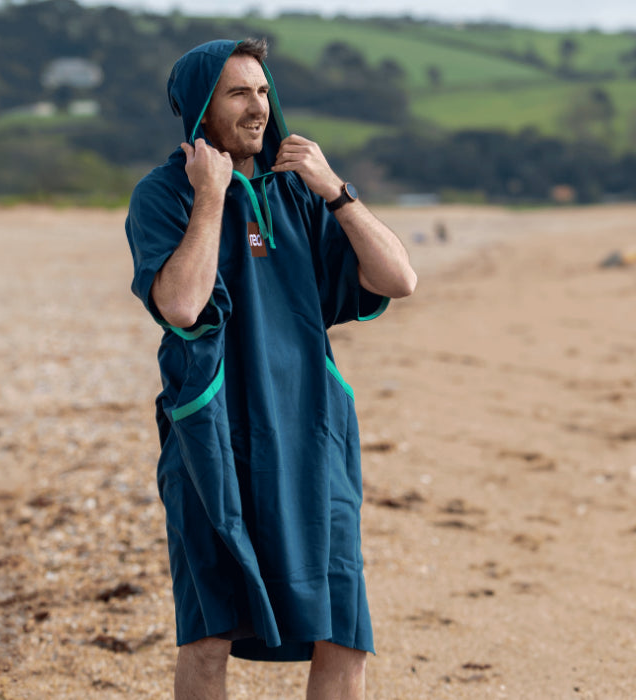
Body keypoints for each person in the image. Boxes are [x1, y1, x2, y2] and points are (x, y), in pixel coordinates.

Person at [123, 38, 417, 700]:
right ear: (201, 107)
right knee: (208, 633)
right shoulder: (163, 194)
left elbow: (399, 278)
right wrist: (211, 198)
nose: (259, 107)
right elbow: (179, 302)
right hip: (212, 440)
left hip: (313, 433)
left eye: (263, 91)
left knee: (343, 630)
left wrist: (335, 190)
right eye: (238, 93)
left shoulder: (301, 194)